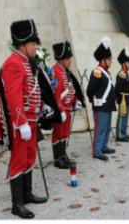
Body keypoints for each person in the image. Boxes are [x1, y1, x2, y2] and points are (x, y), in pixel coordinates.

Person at [0, 20, 50, 219]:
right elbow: (13, 96)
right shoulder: (13, 64)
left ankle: (27, 194)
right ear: (24, 44)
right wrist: (21, 122)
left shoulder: (25, 63)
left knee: (29, 157)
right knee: (18, 160)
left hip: (31, 120)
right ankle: (16, 204)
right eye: (34, 44)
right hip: (22, 123)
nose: (36, 47)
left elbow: (31, 92)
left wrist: (43, 107)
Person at [51, 41, 84, 169]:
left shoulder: (64, 71)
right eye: (67, 58)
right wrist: (60, 110)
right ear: (61, 59)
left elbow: (70, 89)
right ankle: (58, 159)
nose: (70, 61)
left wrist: (76, 101)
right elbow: (56, 94)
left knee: (64, 133)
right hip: (61, 110)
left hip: (67, 109)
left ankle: (62, 156)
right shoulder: (55, 72)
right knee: (58, 133)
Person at [86, 37, 116, 161]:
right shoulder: (97, 72)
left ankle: (103, 146)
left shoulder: (106, 72)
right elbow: (90, 90)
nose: (111, 61)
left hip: (107, 105)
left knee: (107, 127)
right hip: (100, 105)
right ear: (103, 60)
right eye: (109, 59)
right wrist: (93, 99)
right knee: (100, 128)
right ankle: (97, 151)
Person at [114, 48, 129, 142]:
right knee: (121, 116)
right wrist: (117, 97)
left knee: (126, 116)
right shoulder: (121, 74)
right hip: (123, 98)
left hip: (127, 97)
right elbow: (117, 88)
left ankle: (124, 132)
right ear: (124, 63)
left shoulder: (126, 73)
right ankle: (119, 135)